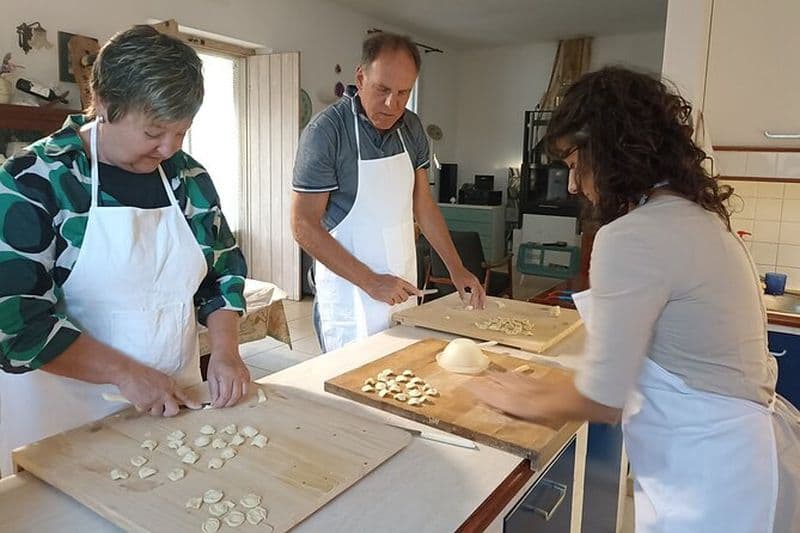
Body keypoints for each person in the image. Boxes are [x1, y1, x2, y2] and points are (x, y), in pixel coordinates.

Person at [468, 67, 800, 532]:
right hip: (737, 467)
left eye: (572, 163)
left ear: (606, 149)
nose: (572, 185)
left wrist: (527, 396)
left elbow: (605, 399)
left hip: (711, 485)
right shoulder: (693, 217)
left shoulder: (634, 236)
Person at [0, 25, 250, 476]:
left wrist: (227, 350)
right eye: (155, 131)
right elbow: (14, 324)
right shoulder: (34, 180)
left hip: (178, 403)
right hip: (66, 420)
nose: (170, 148)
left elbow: (222, 273)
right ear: (106, 107)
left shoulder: (187, 178)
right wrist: (124, 372)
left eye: (182, 132)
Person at [291, 32, 486, 353]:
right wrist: (371, 281)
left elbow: (422, 204)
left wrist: (455, 268)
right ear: (360, 76)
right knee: (352, 384)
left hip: (402, 283)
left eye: (403, 93)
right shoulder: (326, 133)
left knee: (400, 372)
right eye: (382, 89)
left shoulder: (411, 128)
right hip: (350, 293)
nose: (392, 104)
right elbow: (303, 225)